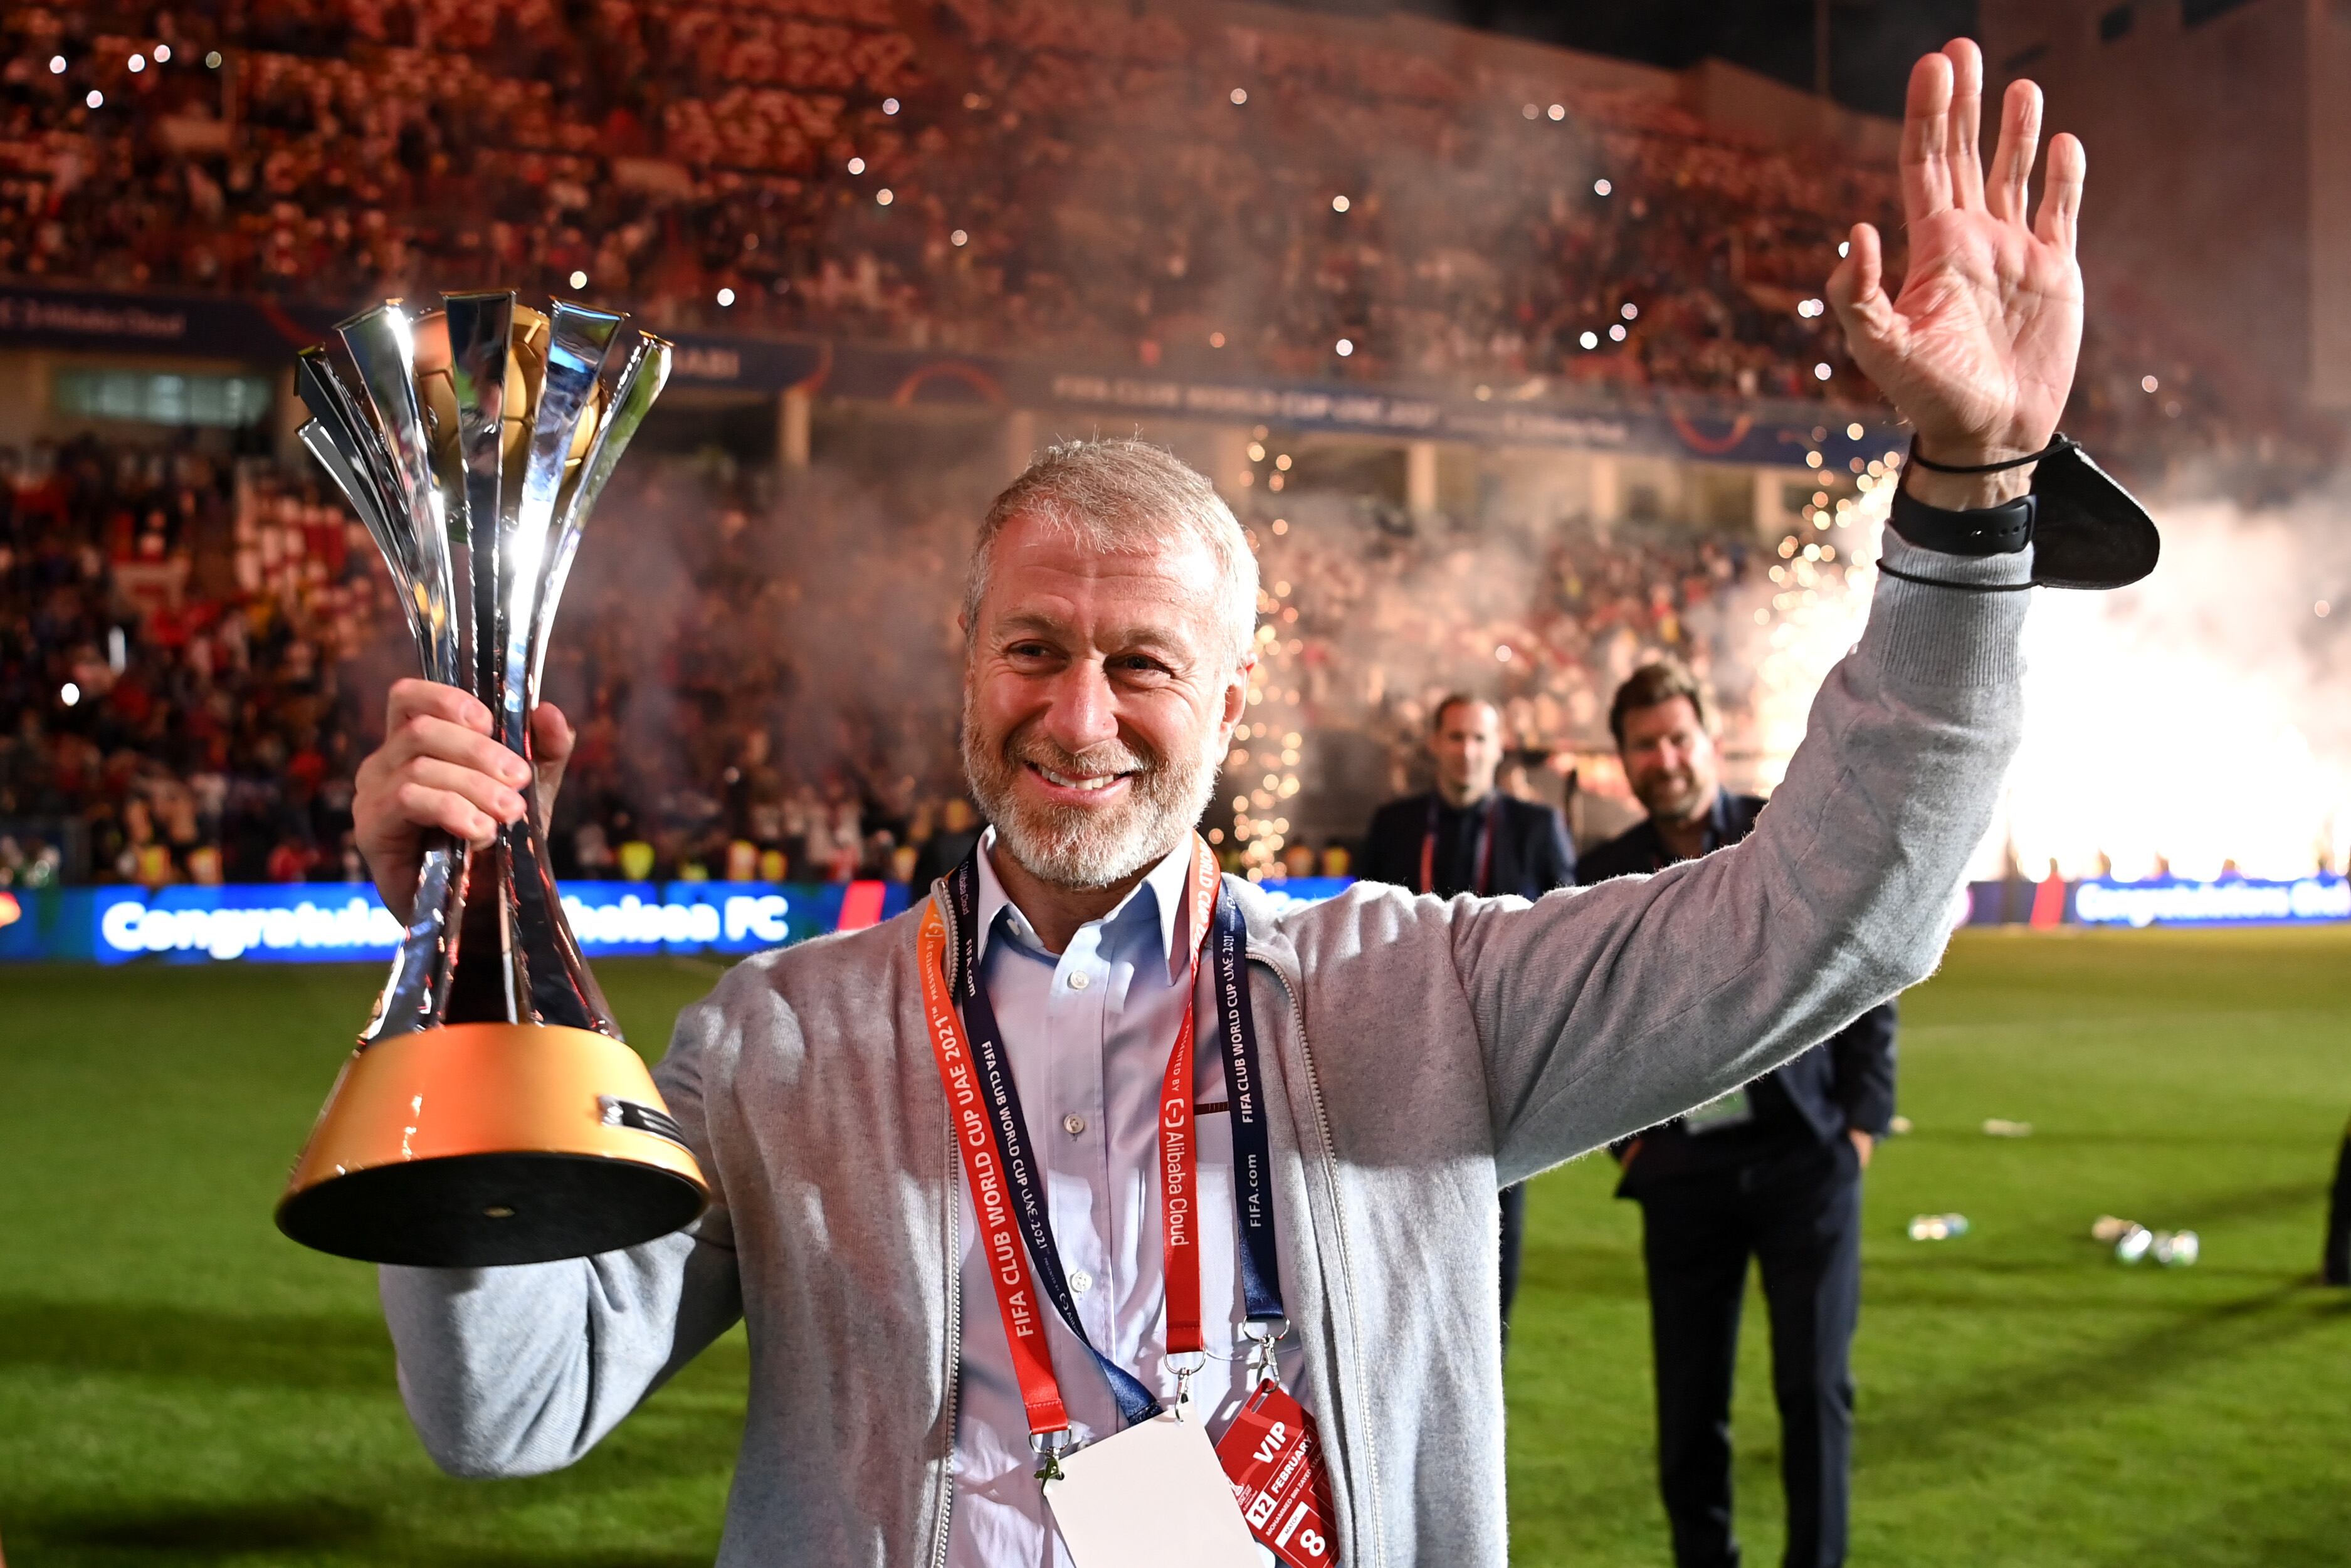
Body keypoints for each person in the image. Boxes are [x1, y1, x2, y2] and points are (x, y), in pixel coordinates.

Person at [352, 43, 2085, 1566]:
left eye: (1142, 663)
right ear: (964, 660)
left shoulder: (1419, 999)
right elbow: (513, 1403)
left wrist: (1968, 490)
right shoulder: (775, 1049)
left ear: (1233, 704)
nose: (1076, 714)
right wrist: (467, 950)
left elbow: (1828, 908)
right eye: (1032, 647)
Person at [1579, 659, 1898, 1568]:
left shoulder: (1782, 831)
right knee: (1689, 1408)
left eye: (1678, 738)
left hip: (1805, 1158)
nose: (1666, 758)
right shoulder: (1600, 874)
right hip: (1683, 1173)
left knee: (1815, 1391)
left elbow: (1867, 959)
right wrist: (1629, 1146)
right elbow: (1580, 1023)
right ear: (1624, 761)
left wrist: (1861, 1122)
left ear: (1709, 739)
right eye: (1645, 745)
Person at [1357, 694, 1575, 1350]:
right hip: (1409, 1057)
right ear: (1435, 744)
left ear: (1499, 746)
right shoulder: (1394, 825)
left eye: (1480, 738)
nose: (1467, 751)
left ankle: (1487, 1384)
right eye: (1455, 737)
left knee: (1493, 1256)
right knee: (1404, 1255)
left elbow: (1565, 939)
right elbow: (1361, 934)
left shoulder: (1537, 827)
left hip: (1502, 1062)